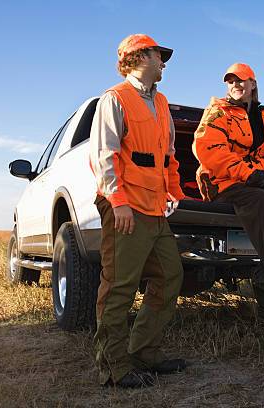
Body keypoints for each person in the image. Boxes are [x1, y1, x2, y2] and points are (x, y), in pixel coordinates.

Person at [89, 34, 187, 388]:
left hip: (155, 209)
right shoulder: (114, 99)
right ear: (139, 57)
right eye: (160, 56)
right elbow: (105, 156)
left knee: (170, 274)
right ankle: (114, 367)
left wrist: (174, 190)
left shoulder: (160, 103)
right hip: (126, 208)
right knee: (119, 286)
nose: (164, 63)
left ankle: (145, 350)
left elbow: (168, 156)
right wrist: (118, 203)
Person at [193, 63, 264, 313]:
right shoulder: (218, 112)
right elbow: (209, 150)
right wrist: (250, 174)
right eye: (231, 81)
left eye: (241, 80)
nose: (236, 85)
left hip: (256, 180)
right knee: (257, 199)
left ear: (253, 84)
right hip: (222, 183)